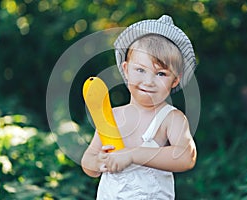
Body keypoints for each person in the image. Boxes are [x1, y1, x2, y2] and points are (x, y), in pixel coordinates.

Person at [81, 15, 197, 199]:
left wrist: (133, 155)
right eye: (140, 70)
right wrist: (98, 162)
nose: (148, 81)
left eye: (160, 73)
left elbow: (186, 157)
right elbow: (88, 161)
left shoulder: (171, 118)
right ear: (126, 70)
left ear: (175, 80)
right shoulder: (112, 117)